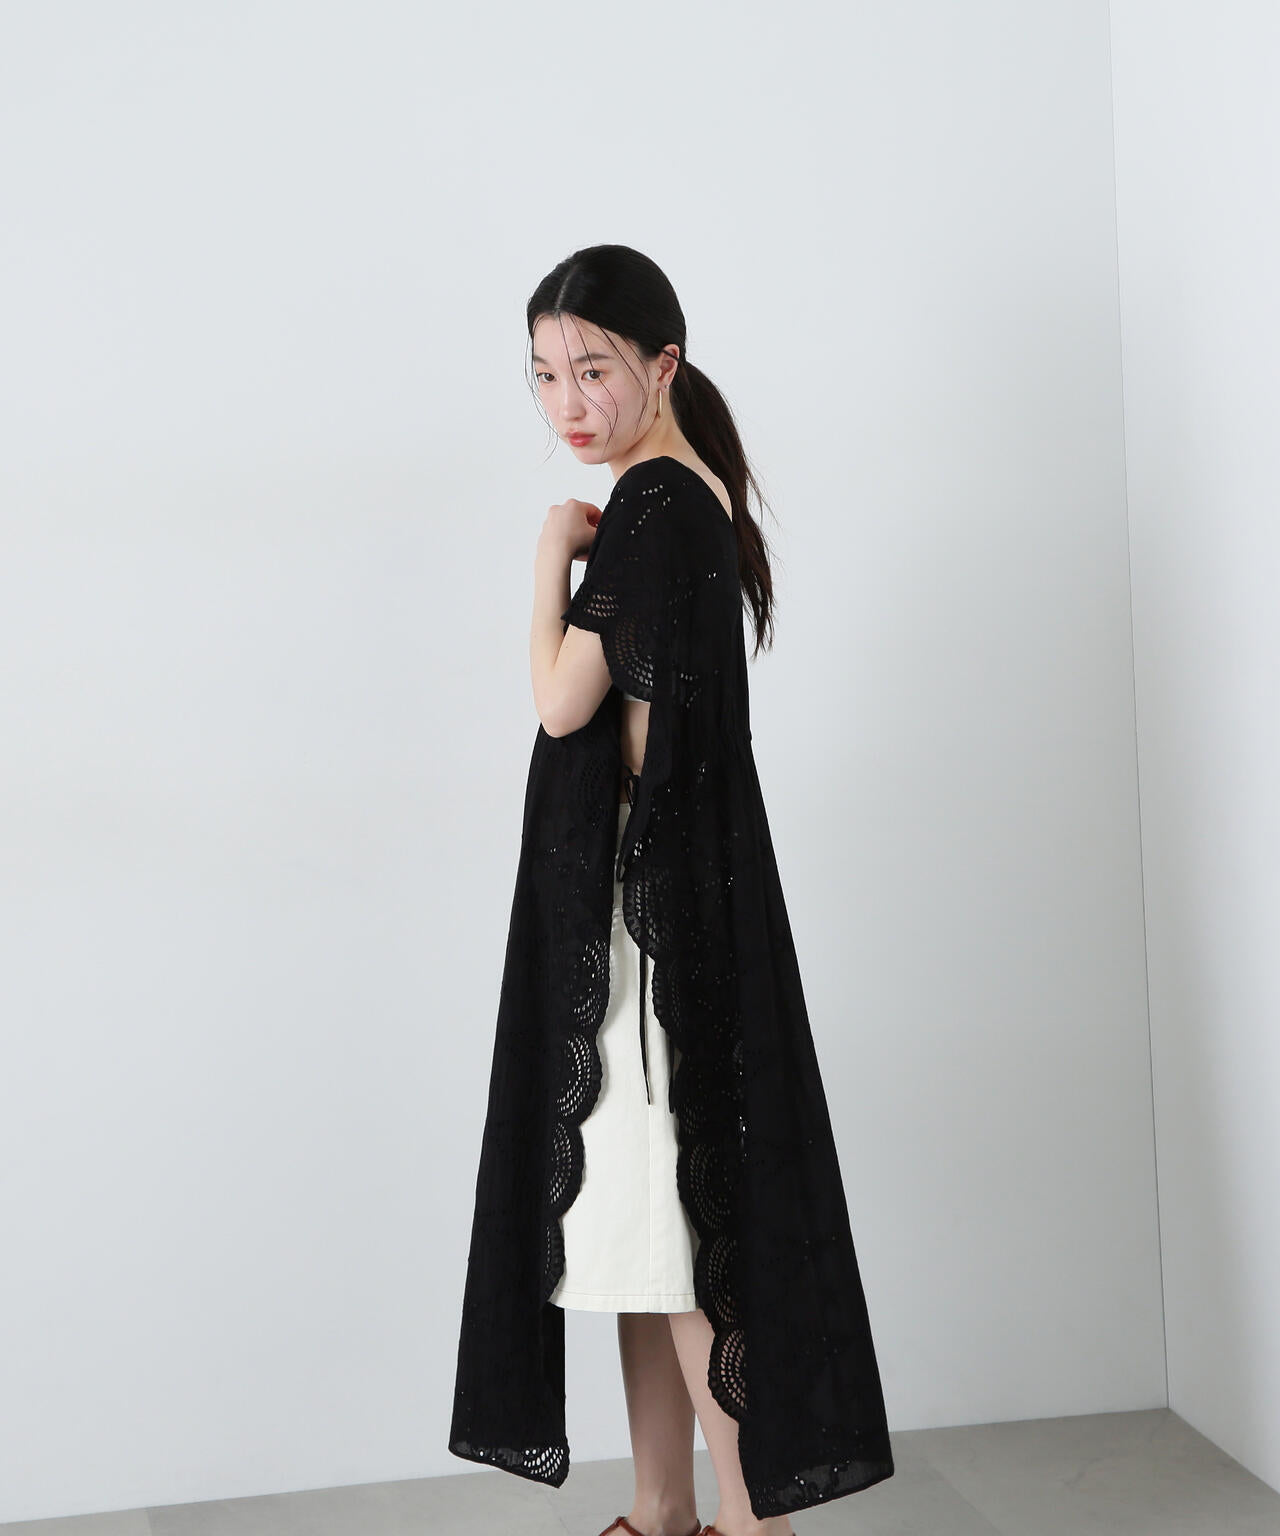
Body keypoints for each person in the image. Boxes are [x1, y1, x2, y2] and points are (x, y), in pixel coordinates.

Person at [449, 245, 894, 1536]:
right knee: (642, 1239)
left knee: (686, 1248)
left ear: (663, 363)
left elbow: (561, 702)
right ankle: (657, 1513)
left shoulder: (649, 502)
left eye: (593, 369)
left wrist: (549, 557)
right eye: (544, 376)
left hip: (649, 935)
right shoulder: (692, 497)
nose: (568, 403)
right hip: (664, 911)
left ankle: (751, 1524)